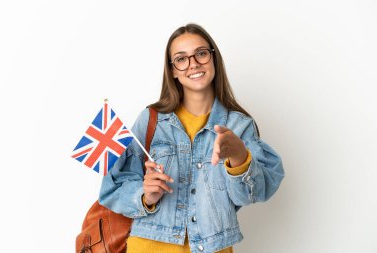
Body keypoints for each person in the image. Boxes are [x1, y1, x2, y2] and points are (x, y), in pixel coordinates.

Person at [99, 23, 284, 253]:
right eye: (181, 59)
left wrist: (239, 158)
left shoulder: (239, 125)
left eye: (201, 54)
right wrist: (145, 196)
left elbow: (253, 194)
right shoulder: (151, 120)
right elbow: (111, 188)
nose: (193, 63)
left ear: (213, 58)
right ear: (173, 70)